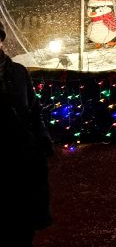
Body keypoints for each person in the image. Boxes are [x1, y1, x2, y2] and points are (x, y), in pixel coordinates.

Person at [0, 20, 54, 246]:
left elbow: (33, 109)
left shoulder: (18, 73)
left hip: (22, 157)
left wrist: (42, 138)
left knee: (23, 226)